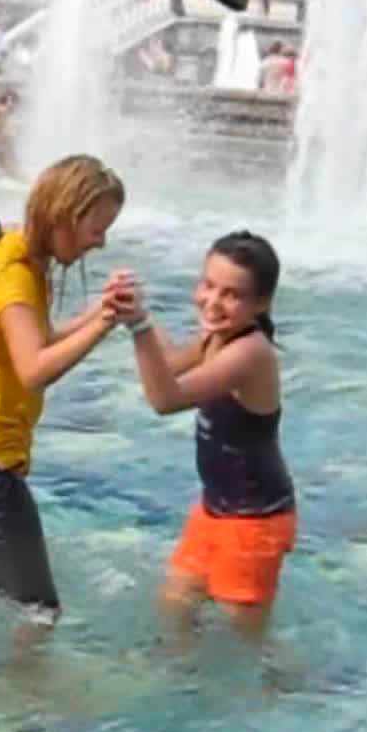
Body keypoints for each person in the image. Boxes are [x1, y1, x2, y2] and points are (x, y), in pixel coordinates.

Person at [0, 155, 136, 630]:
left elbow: (38, 339)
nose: (100, 242)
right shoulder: (14, 278)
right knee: (39, 612)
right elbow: (34, 369)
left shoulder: (18, 257)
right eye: (96, 229)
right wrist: (106, 323)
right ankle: (19, 681)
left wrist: (99, 309)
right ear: (63, 216)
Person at [117, 231, 295, 649]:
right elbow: (169, 364)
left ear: (261, 304)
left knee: (245, 643)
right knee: (175, 606)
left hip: (255, 521)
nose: (213, 301)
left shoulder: (250, 353)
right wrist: (137, 313)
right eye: (208, 285)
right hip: (215, 508)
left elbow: (165, 399)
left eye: (232, 295)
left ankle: (286, 682)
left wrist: (140, 327)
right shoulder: (217, 338)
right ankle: (178, 678)